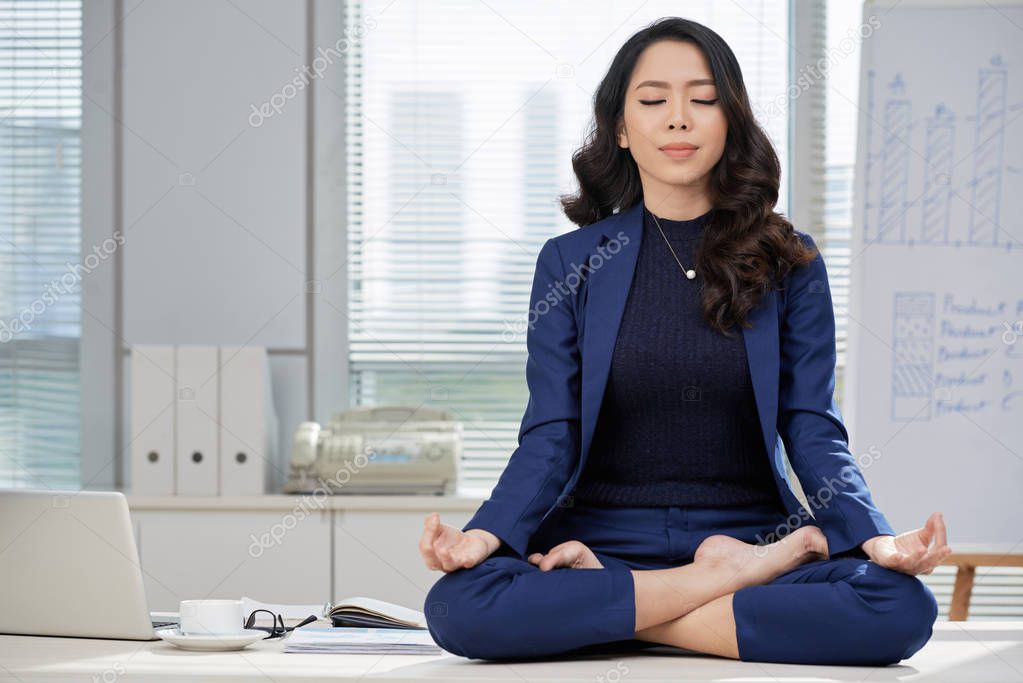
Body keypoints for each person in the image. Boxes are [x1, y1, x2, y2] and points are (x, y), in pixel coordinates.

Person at [418, 16, 950, 665]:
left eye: (702, 100)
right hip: (604, 536)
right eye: (652, 101)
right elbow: (550, 431)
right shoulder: (571, 262)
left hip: (757, 532)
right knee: (458, 607)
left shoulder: (790, 261)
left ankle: (622, 609)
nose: (678, 119)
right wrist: (486, 532)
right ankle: (718, 579)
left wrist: (872, 537)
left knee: (897, 609)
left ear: (729, 122)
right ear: (619, 127)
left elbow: (812, 426)